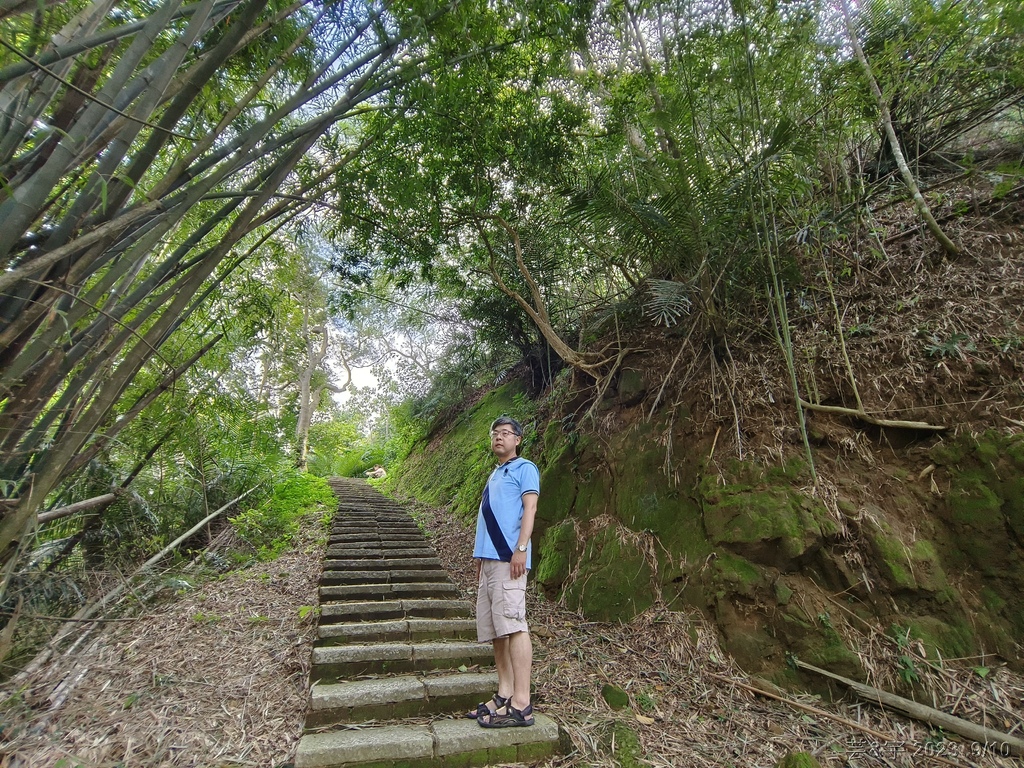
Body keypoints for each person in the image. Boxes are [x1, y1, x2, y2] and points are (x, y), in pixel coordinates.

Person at [466, 415, 538, 728]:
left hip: (510, 559)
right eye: (495, 433)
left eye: (506, 433)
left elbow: (530, 509)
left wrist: (521, 549)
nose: (499, 437)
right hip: (489, 561)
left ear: (517, 440)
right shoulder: (495, 474)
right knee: (497, 629)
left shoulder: (525, 468)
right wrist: (480, 558)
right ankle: (504, 693)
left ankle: (522, 703)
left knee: (514, 623)